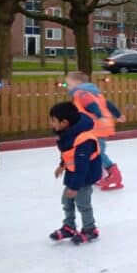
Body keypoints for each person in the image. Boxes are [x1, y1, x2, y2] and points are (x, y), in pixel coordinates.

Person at [48, 101, 103, 245]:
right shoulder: (68, 133)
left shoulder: (84, 140)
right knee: (66, 200)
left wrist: (74, 187)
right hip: (74, 172)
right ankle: (69, 227)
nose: (51, 124)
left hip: (85, 175)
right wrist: (62, 165)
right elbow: (68, 152)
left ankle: (90, 229)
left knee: (82, 202)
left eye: (53, 120)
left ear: (65, 122)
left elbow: (82, 167)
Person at [65, 71, 126, 190]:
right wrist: (118, 115)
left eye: (69, 84)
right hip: (99, 127)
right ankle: (98, 175)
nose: (68, 87)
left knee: (98, 153)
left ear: (77, 83)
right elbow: (108, 104)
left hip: (96, 127)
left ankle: (113, 175)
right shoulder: (95, 93)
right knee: (92, 152)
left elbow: (91, 105)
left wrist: (98, 115)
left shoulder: (80, 93)